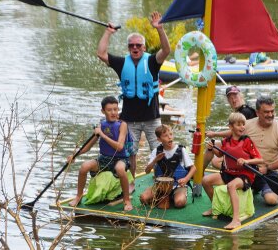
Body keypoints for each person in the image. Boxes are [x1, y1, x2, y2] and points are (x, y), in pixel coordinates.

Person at [97, 11, 171, 192]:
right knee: (131, 154)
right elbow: (101, 53)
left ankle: (160, 180)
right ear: (128, 48)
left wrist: (159, 29)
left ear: (144, 48)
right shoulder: (122, 63)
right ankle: (131, 182)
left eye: (139, 45)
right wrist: (108, 32)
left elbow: (167, 50)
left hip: (152, 117)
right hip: (130, 119)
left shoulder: (153, 61)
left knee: (159, 151)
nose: (135, 48)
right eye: (132, 46)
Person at [67, 96, 132, 211]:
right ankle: (78, 196)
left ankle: (127, 200)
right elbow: (88, 146)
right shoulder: (101, 125)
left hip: (121, 159)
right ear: (103, 111)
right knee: (84, 167)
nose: (113, 112)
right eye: (109, 110)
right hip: (104, 158)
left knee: (120, 169)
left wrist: (101, 134)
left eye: (115, 109)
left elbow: (119, 146)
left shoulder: (122, 125)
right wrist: (74, 155)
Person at [201, 113, 264, 229]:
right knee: (205, 180)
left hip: (245, 175)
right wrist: (211, 148)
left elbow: (260, 160)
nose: (242, 127)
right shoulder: (226, 141)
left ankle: (236, 220)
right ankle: (215, 207)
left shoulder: (247, 141)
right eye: (239, 125)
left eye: (243, 124)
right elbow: (220, 154)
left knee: (231, 186)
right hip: (229, 173)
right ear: (231, 127)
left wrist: (246, 161)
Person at [243, 95, 278, 205]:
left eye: (272, 111)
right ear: (257, 113)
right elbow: (234, 139)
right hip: (248, 169)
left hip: (269, 173)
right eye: (266, 112)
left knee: (271, 200)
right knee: (217, 162)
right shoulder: (246, 125)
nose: (270, 115)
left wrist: (267, 168)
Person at [140, 124, 196, 208]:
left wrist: (186, 179)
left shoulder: (181, 150)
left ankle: (174, 196)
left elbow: (193, 168)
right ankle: (162, 196)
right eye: (165, 136)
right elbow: (147, 171)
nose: (169, 137)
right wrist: (155, 160)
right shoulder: (156, 151)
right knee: (143, 198)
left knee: (179, 203)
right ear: (159, 139)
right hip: (160, 185)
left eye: (170, 134)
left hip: (177, 185)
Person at [204, 85, 256, 169]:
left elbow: (233, 132)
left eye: (235, 96)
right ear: (228, 101)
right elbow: (235, 132)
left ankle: (234, 174)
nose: (234, 100)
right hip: (242, 144)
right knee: (213, 149)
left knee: (214, 151)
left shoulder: (245, 112)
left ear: (241, 96)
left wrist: (214, 134)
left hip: (247, 148)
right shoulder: (241, 111)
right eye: (230, 98)